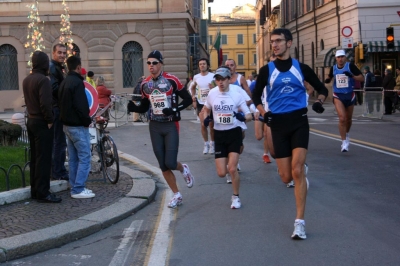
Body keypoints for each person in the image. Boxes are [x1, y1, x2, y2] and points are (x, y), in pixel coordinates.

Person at [252, 28, 329, 239]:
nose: (274, 45)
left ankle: (299, 223)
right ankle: (300, 169)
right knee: (287, 176)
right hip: (277, 125)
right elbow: (256, 96)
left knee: (296, 171)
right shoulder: (266, 70)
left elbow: (322, 89)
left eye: (278, 41)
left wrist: (320, 103)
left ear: (289, 43)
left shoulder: (301, 68)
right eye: (272, 42)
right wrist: (263, 113)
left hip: (299, 122)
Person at [127, 50, 194, 208]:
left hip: (170, 124)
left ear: (161, 64)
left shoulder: (171, 80)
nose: (151, 66)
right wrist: (134, 108)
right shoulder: (145, 85)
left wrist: (174, 110)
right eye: (149, 63)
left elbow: (188, 99)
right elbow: (144, 107)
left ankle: (182, 168)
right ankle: (177, 194)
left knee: (170, 162)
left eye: (154, 63)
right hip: (154, 126)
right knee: (162, 165)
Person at [202, 67, 253, 209]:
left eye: (223, 79)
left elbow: (249, 115)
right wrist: (206, 119)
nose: (220, 82)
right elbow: (206, 109)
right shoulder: (212, 93)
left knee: (231, 169)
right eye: (217, 79)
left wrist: (243, 117)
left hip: (234, 133)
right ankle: (230, 162)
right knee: (221, 173)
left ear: (229, 79)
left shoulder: (236, 95)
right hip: (219, 134)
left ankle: (235, 197)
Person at [23, 51, 62, 203]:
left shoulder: (27, 79)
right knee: (44, 158)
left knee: (35, 158)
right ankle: (43, 192)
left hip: (31, 120)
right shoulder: (43, 80)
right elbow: (45, 103)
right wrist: (50, 119)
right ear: (44, 64)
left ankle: (35, 190)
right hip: (41, 121)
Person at [58, 56, 95, 199]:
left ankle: (75, 186)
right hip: (78, 126)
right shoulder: (78, 83)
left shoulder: (64, 82)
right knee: (85, 156)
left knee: (73, 158)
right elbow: (81, 106)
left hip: (67, 125)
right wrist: (87, 120)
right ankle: (78, 188)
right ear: (78, 67)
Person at [325, 50, 364, 152]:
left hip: (349, 95)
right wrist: (328, 80)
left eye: (342, 57)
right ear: (335, 58)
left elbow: (362, 78)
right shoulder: (333, 68)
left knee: (348, 119)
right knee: (342, 118)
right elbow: (330, 76)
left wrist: (352, 76)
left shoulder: (350, 66)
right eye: (338, 57)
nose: (340, 59)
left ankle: (346, 134)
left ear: (345, 57)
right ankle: (344, 142)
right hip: (338, 95)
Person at [49, 44, 69, 181]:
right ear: (53, 53)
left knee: (60, 142)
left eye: (64, 53)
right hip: (56, 109)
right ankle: (58, 171)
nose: (62, 55)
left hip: (58, 108)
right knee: (59, 142)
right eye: (59, 52)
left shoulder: (59, 67)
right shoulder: (52, 68)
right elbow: (54, 88)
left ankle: (58, 169)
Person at [190, 58, 215, 154]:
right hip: (201, 103)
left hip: (211, 103)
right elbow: (192, 87)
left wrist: (213, 88)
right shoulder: (196, 77)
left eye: (204, 64)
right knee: (203, 124)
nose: (202, 65)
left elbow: (218, 88)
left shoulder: (213, 76)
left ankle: (213, 144)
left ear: (207, 65)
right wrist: (193, 98)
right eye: (200, 64)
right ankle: (206, 144)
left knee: (212, 126)